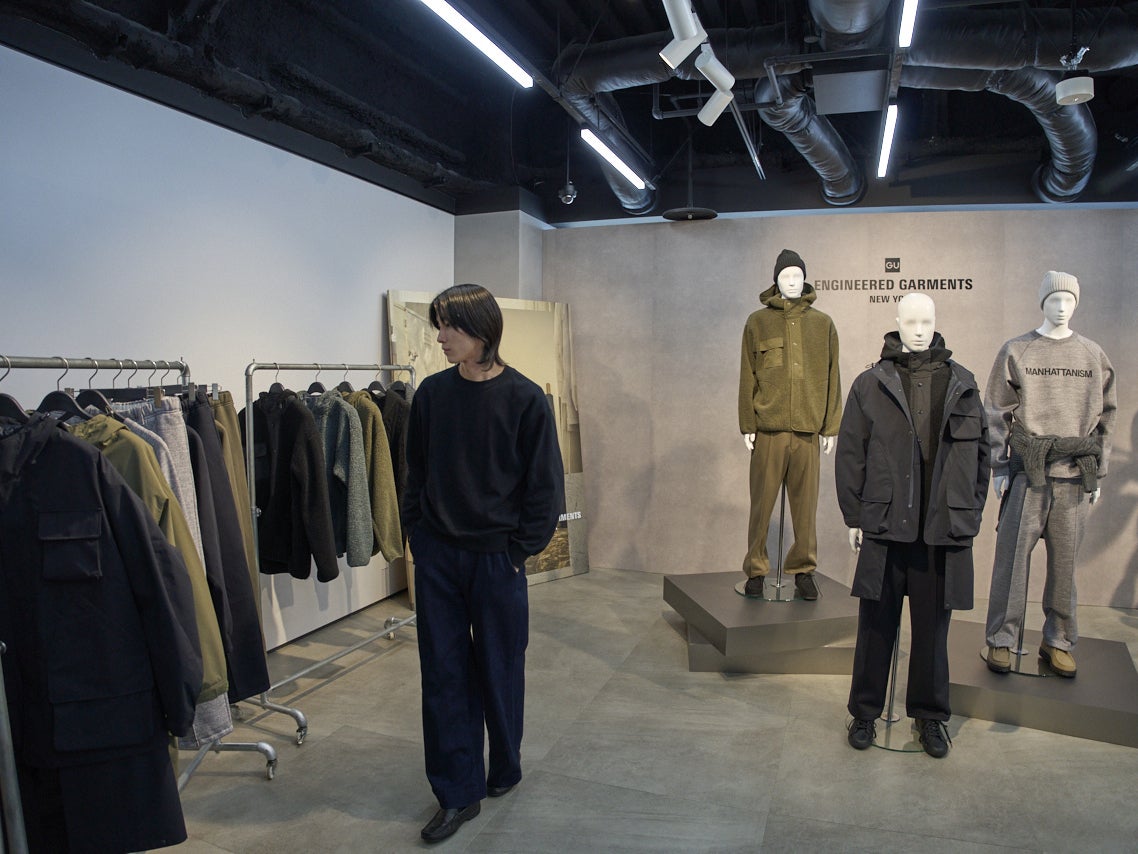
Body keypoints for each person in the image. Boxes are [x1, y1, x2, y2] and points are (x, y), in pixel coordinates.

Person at [402, 283, 564, 843]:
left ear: (482, 329)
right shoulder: (431, 395)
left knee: (501, 669)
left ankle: (505, 766)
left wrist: (518, 551)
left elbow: (545, 488)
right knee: (444, 674)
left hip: (498, 560)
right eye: (438, 326)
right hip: (440, 559)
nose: (441, 338)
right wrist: (420, 537)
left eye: (450, 326)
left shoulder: (525, 399)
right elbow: (415, 472)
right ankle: (456, 791)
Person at [836, 293, 990, 758]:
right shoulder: (871, 383)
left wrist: (970, 512)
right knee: (875, 627)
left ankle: (930, 717)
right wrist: (854, 515)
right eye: (911, 321)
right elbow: (851, 453)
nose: (920, 330)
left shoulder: (963, 383)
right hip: (886, 525)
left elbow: (981, 458)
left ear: (936, 322)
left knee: (932, 633)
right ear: (897, 323)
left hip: (939, 532)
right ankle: (865, 711)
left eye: (927, 321)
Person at [983, 272, 1116, 678]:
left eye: (1068, 300)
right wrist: (1000, 467)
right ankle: (1001, 638)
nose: (1061, 307)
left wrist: (1098, 470)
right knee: (1011, 561)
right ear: (1042, 302)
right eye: (1054, 299)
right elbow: (995, 411)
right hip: (1029, 473)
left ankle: (1058, 640)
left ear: (1077, 303)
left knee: (1065, 566)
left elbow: (1107, 416)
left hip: (1075, 475)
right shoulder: (1017, 350)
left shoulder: (1093, 355)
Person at [738, 249, 842, 600]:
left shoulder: (823, 324)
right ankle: (756, 570)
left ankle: (803, 570)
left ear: (806, 279)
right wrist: (747, 423)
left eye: (798, 275)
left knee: (805, 508)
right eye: (786, 276)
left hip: (808, 431)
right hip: (769, 430)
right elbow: (747, 375)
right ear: (776, 281)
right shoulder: (757, 322)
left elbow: (833, 376)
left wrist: (830, 426)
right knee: (761, 506)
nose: (793, 281)